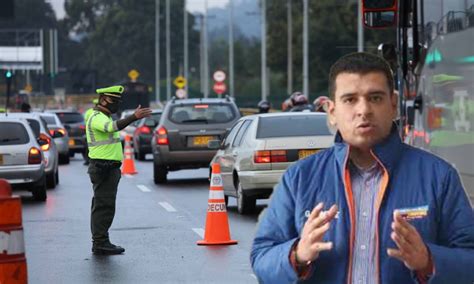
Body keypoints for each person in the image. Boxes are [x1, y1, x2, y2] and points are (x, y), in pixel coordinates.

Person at [251, 52, 474, 283]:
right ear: (332, 111)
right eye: (350, 99)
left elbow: (470, 260)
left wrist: (429, 261)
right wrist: (297, 255)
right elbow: (262, 258)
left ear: (394, 105)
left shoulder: (438, 177)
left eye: (375, 98)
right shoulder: (299, 178)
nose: (364, 110)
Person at [86, 85, 152, 255]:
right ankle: (100, 242)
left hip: (108, 168)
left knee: (104, 205)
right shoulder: (97, 117)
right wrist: (133, 117)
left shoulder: (102, 116)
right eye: (112, 100)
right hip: (102, 168)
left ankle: (101, 240)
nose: (115, 104)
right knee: (103, 206)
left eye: (117, 101)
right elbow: (112, 127)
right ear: (102, 100)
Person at [83, 98, 99, 166]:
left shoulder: (89, 112)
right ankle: (89, 160)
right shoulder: (102, 112)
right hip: (95, 134)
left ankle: (88, 160)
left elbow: (85, 123)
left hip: (89, 134)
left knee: (88, 148)